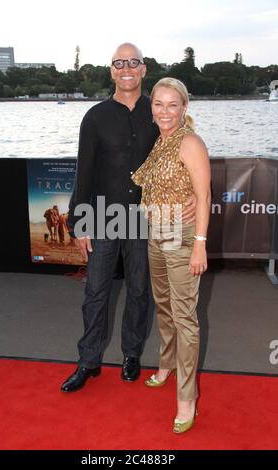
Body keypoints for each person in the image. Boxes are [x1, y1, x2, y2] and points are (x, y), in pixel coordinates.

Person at [61, 44, 196, 393]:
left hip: (146, 218)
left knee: (139, 291)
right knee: (95, 293)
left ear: (143, 69)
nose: (126, 69)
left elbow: (185, 151)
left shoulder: (158, 111)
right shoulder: (94, 116)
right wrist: (79, 221)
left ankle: (131, 355)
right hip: (103, 216)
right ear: (111, 71)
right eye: (119, 63)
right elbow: (84, 172)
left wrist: (195, 194)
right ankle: (88, 361)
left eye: (132, 62)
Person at [132, 77, 211, 434]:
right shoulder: (160, 141)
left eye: (172, 104)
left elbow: (204, 196)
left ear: (184, 108)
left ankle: (187, 396)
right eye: (158, 104)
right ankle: (166, 364)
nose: (165, 111)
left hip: (180, 238)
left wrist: (199, 243)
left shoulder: (190, 142)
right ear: (152, 108)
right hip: (156, 233)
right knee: (162, 304)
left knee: (184, 317)